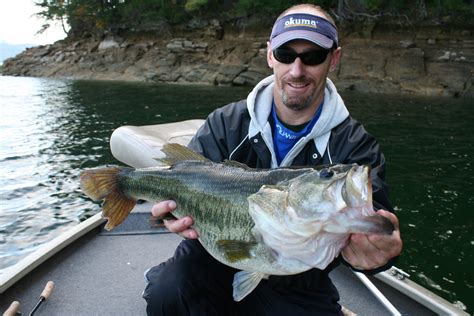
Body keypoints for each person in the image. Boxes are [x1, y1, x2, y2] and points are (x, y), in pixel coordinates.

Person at [143, 3, 403, 315]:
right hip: (216, 255)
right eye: (285, 55)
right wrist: (167, 215)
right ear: (270, 55)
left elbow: (377, 225)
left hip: (302, 278)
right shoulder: (226, 124)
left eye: (312, 57)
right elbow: (183, 187)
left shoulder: (356, 148)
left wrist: (380, 254)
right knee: (167, 294)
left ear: (333, 59)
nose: (297, 70)